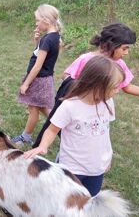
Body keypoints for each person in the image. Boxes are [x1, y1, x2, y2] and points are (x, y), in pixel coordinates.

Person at [32, 23, 139, 148]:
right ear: (112, 45)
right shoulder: (86, 59)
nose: (126, 53)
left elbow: (127, 86)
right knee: (67, 132)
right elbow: (67, 76)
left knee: (90, 137)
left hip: (99, 111)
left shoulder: (119, 64)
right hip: (78, 109)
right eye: (125, 48)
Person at [25, 55, 125, 196]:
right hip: (72, 169)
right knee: (65, 201)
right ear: (97, 85)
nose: (118, 90)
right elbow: (52, 130)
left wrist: (106, 156)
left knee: (89, 201)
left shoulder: (108, 102)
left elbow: (104, 133)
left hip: (96, 169)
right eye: (115, 87)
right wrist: (43, 146)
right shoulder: (70, 106)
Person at [12, 4, 63, 146]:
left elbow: (37, 66)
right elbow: (40, 54)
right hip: (46, 79)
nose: (36, 23)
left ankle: (26, 136)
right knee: (44, 109)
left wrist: (26, 83)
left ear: (46, 21)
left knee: (34, 108)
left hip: (39, 80)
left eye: (37, 20)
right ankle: (64, 132)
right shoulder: (53, 37)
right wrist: (37, 40)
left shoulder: (47, 40)